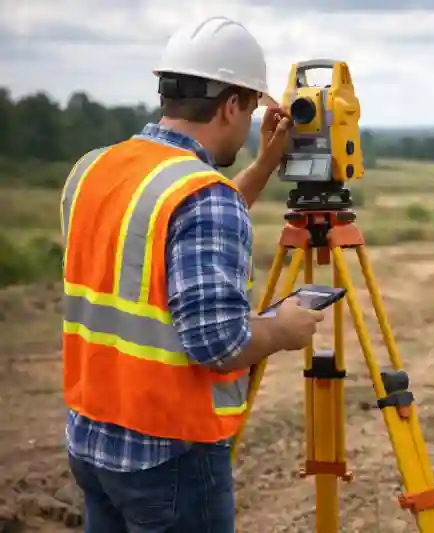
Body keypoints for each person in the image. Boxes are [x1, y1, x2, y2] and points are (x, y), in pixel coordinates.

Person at [60, 16, 324, 532]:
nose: (248, 126)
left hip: (92, 439)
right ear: (230, 105)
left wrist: (263, 166)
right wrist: (282, 329)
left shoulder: (94, 168)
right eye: (250, 108)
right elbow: (219, 344)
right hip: (170, 454)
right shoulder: (203, 197)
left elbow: (174, 236)